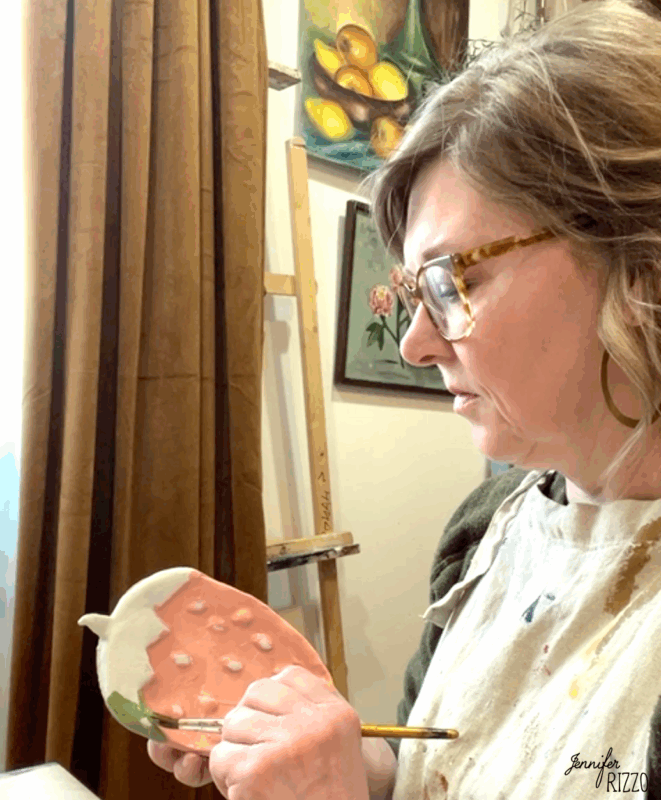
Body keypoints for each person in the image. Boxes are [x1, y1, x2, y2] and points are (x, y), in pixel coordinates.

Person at [148, 0, 661, 795]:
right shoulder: (484, 529)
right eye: (413, 290)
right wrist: (341, 763)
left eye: (452, 279)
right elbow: (442, 764)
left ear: (639, 261)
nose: (416, 344)